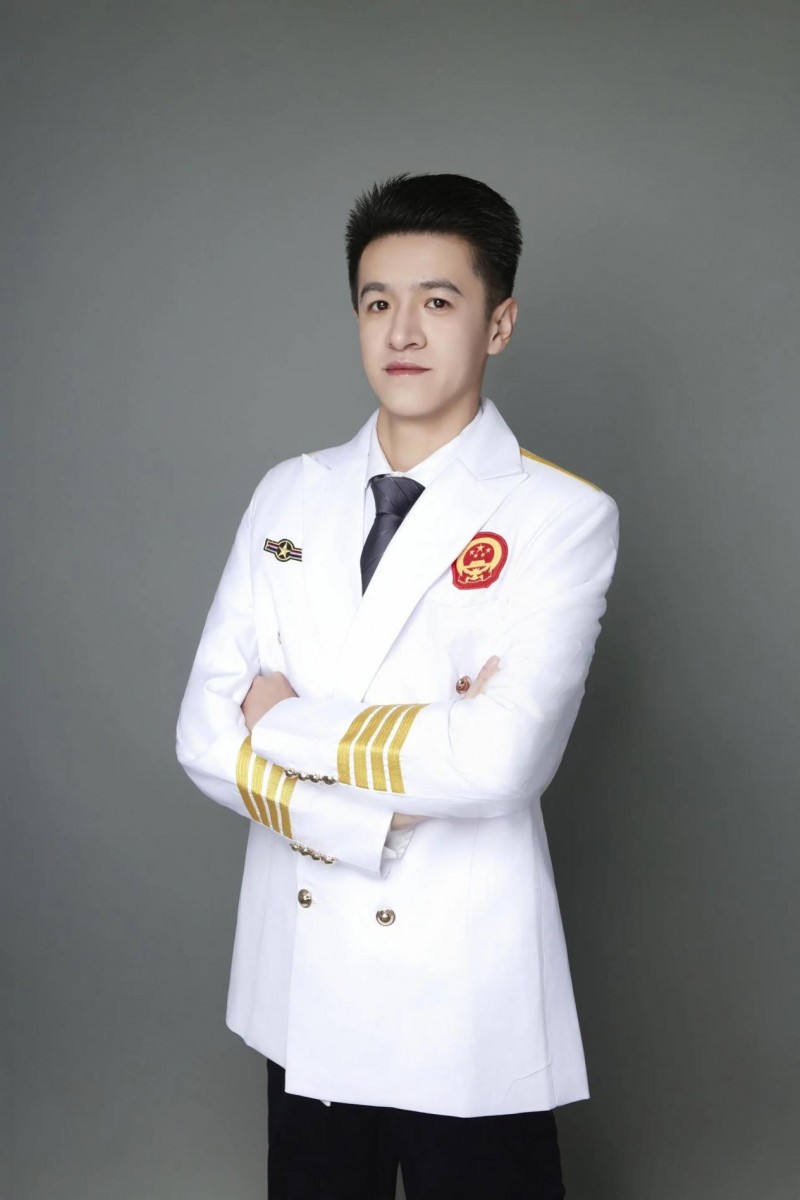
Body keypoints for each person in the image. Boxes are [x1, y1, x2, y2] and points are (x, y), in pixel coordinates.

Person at [175, 171, 620, 1199]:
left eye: (438, 300)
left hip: (461, 981)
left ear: (498, 323)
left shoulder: (558, 515)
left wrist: (284, 721)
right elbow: (201, 735)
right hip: (304, 973)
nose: (402, 331)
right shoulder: (289, 494)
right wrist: (370, 820)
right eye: (378, 302)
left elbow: (500, 761)